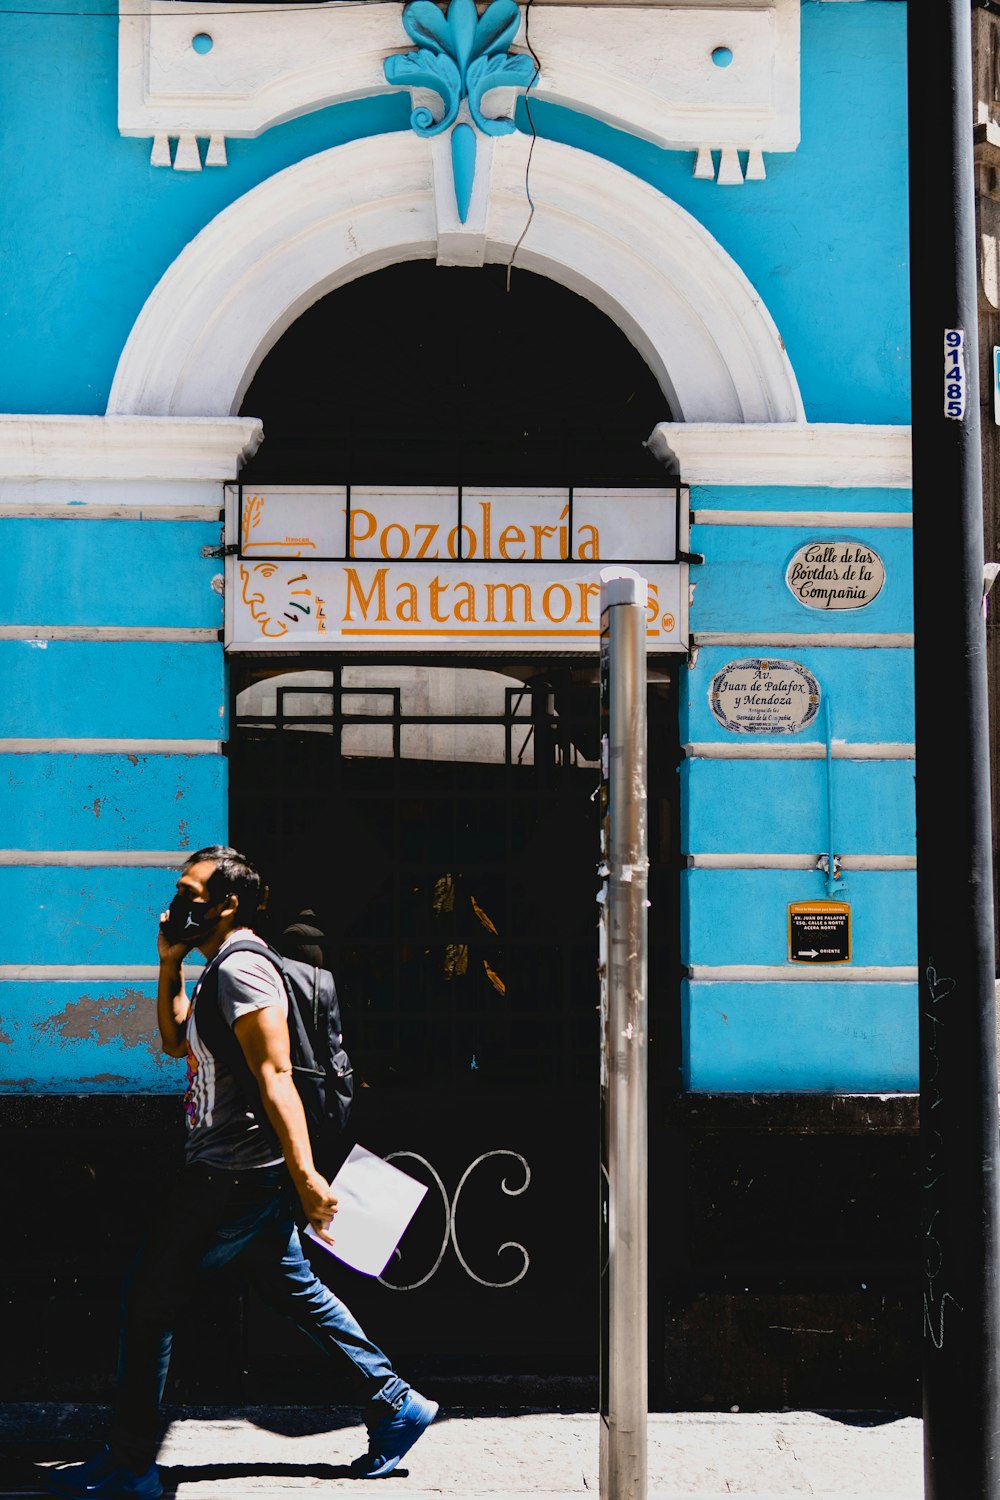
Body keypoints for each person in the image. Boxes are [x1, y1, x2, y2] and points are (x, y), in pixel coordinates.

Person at [42, 846, 436, 1500]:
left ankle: (131, 1463)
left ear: (228, 903)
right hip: (244, 1172)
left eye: (190, 893)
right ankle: (396, 1403)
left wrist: (308, 1177)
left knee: (149, 1302)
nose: (176, 904)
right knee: (295, 1289)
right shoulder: (218, 968)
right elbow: (174, 1042)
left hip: (233, 1170)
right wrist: (168, 962)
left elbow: (275, 1073)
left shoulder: (244, 969)